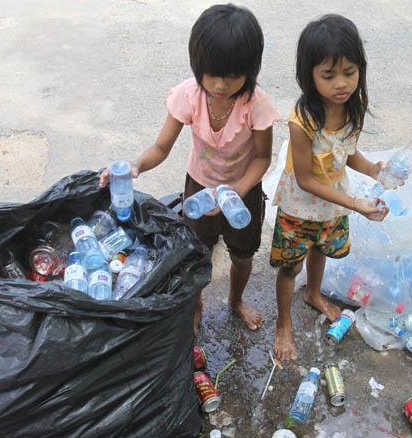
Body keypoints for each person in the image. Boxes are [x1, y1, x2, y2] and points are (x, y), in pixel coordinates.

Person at [100, 4, 279, 332]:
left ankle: (236, 300)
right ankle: (195, 305)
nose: (221, 85)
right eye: (212, 74)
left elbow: (262, 158)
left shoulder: (257, 104)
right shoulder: (189, 95)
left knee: (243, 254)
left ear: (250, 70)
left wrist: (236, 192)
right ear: (198, 64)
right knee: (196, 253)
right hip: (199, 187)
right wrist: (136, 166)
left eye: (232, 76)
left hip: (243, 192)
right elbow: (160, 148)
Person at [270, 14, 388, 361]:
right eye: (329, 75)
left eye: (350, 72)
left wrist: (374, 170)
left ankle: (314, 292)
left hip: (331, 204)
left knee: (320, 247)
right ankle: (283, 323)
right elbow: (306, 180)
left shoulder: (351, 107)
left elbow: (348, 154)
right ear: (309, 75)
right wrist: (355, 203)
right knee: (291, 266)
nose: (342, 84)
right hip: (301, 204)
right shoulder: (302, 120)